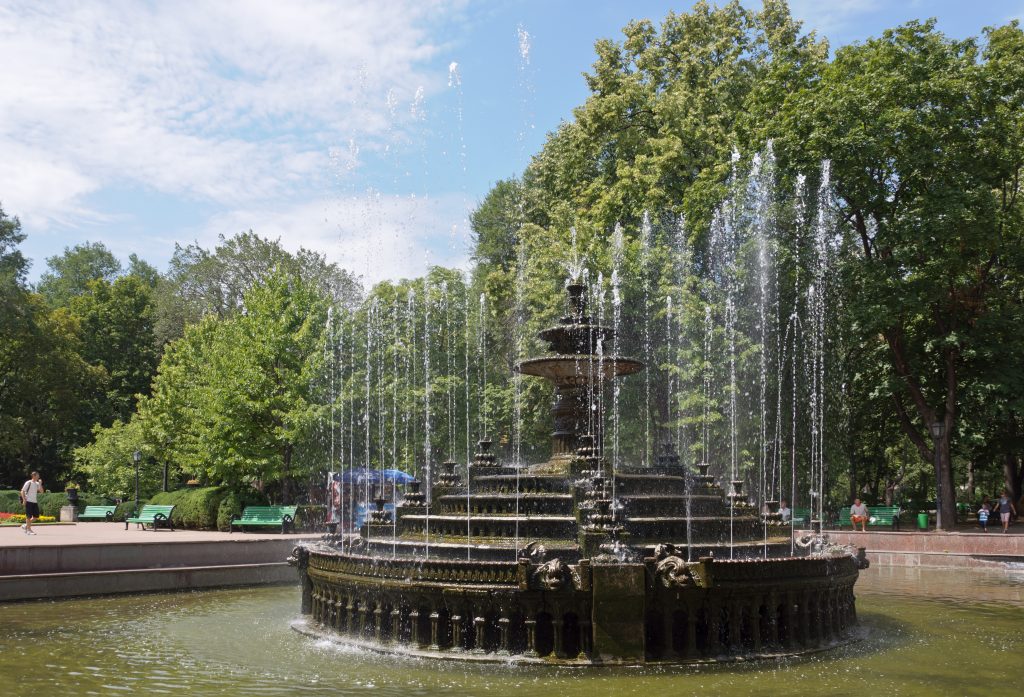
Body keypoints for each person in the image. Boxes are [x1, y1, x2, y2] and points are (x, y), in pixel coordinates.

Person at [19, 471, 45, 535]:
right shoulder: (28, 482)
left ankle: (26, 525)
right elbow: (22, 491)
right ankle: (29, 530)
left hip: (34, 502)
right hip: (28, 501)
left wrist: (40, 484)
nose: (38, 477)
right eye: (37, 475)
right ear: (33, 476)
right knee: (28, 516)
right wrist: (24, 500)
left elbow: (41, 492)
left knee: (36, 516)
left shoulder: (37, 483)